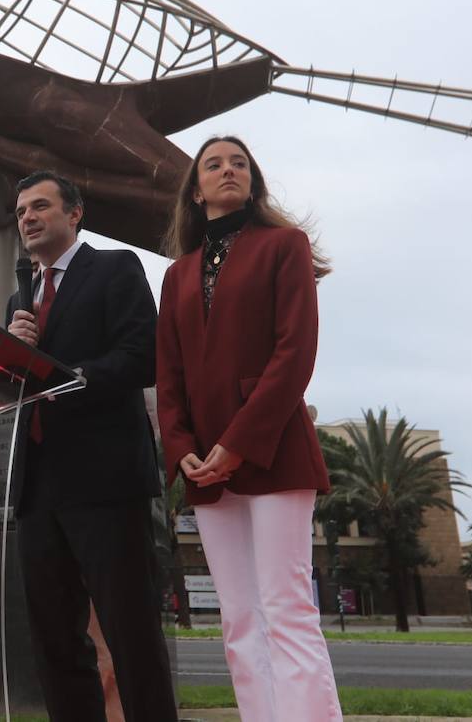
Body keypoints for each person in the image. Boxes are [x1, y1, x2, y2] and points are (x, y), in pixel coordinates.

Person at [155, 135, 341, 722]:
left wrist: (235, 444)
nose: (228, 170)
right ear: (196, 189)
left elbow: (295, 354)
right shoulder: (177, 276)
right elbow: (168, 377)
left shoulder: (285, 245)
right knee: (237, 618)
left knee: (286, 607)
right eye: (214, 164)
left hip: (274, 449)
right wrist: (181, 450)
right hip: (204, 467)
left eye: (239, 163)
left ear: (253, 181)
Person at [6, 171, 177, 722]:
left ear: (75, 214)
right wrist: (11, 357)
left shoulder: (114, 269)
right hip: (37, 489)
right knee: (54, 638)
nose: (28, 218)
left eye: (40, 206)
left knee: (131, 632)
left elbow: (142, 356)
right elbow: (16, 389)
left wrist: (62, 378)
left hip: (105, 482)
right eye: (21, 212)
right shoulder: (19, 298)